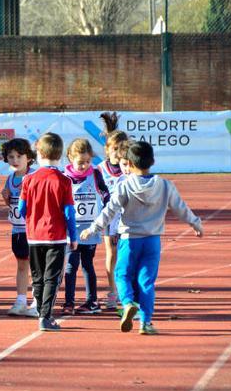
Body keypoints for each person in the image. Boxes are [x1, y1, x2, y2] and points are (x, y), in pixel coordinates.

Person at [83, 142, 203, 335]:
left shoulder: (124, 185)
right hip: (152, 241)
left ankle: (128, 302)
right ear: (153, 161)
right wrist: (195, 223)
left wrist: (93, 228)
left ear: (128, 164)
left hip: (129, 240)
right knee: (146, 281)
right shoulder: (165, 185)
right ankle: (145, 322)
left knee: (121, 275)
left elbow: (110, 210)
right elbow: (180, 208)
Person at [18, 132, 77, 332]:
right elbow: (69, 212)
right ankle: (46, 315)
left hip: (34, 236)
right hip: (56, 236)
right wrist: (74, 236)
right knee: (52, 276)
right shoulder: (64, 181)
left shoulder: (28, 179)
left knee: (38, 276)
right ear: (59, 155)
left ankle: (40, 311)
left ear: (39, 153)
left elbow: (21, 209)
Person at [62, 138, 110, 316]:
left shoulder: (96, 174)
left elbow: (105, 194)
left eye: (88, 162)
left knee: (87, 264)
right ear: (70, 158)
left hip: (90, 229)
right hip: (71, 230)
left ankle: (92, 301)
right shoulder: (64, 176)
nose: (84, 166)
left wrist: (106, 211)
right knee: (70, 266)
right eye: (80, 162)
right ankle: (69, 302)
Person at [0, 138, 38, 317]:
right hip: (17, 230)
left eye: (19, 156)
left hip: (34, 231)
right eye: (11, 156)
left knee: (37, 266)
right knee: (22, 265)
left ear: (28, 157)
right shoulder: (10, 179)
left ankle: (38, 301)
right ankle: (21, 300)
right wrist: (6, 198)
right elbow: (12, 205)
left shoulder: (33, 177)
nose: (15, 160)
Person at [97, 112, 129, 312]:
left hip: (128, 219)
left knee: (127, 256)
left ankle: (127, 291)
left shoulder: (130, 169)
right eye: (114, 149)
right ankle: (112, 292)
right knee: (111, 253)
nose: (117, 153)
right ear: (107, 150)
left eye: (121, 149)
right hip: (110, 218)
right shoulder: (99, 170)